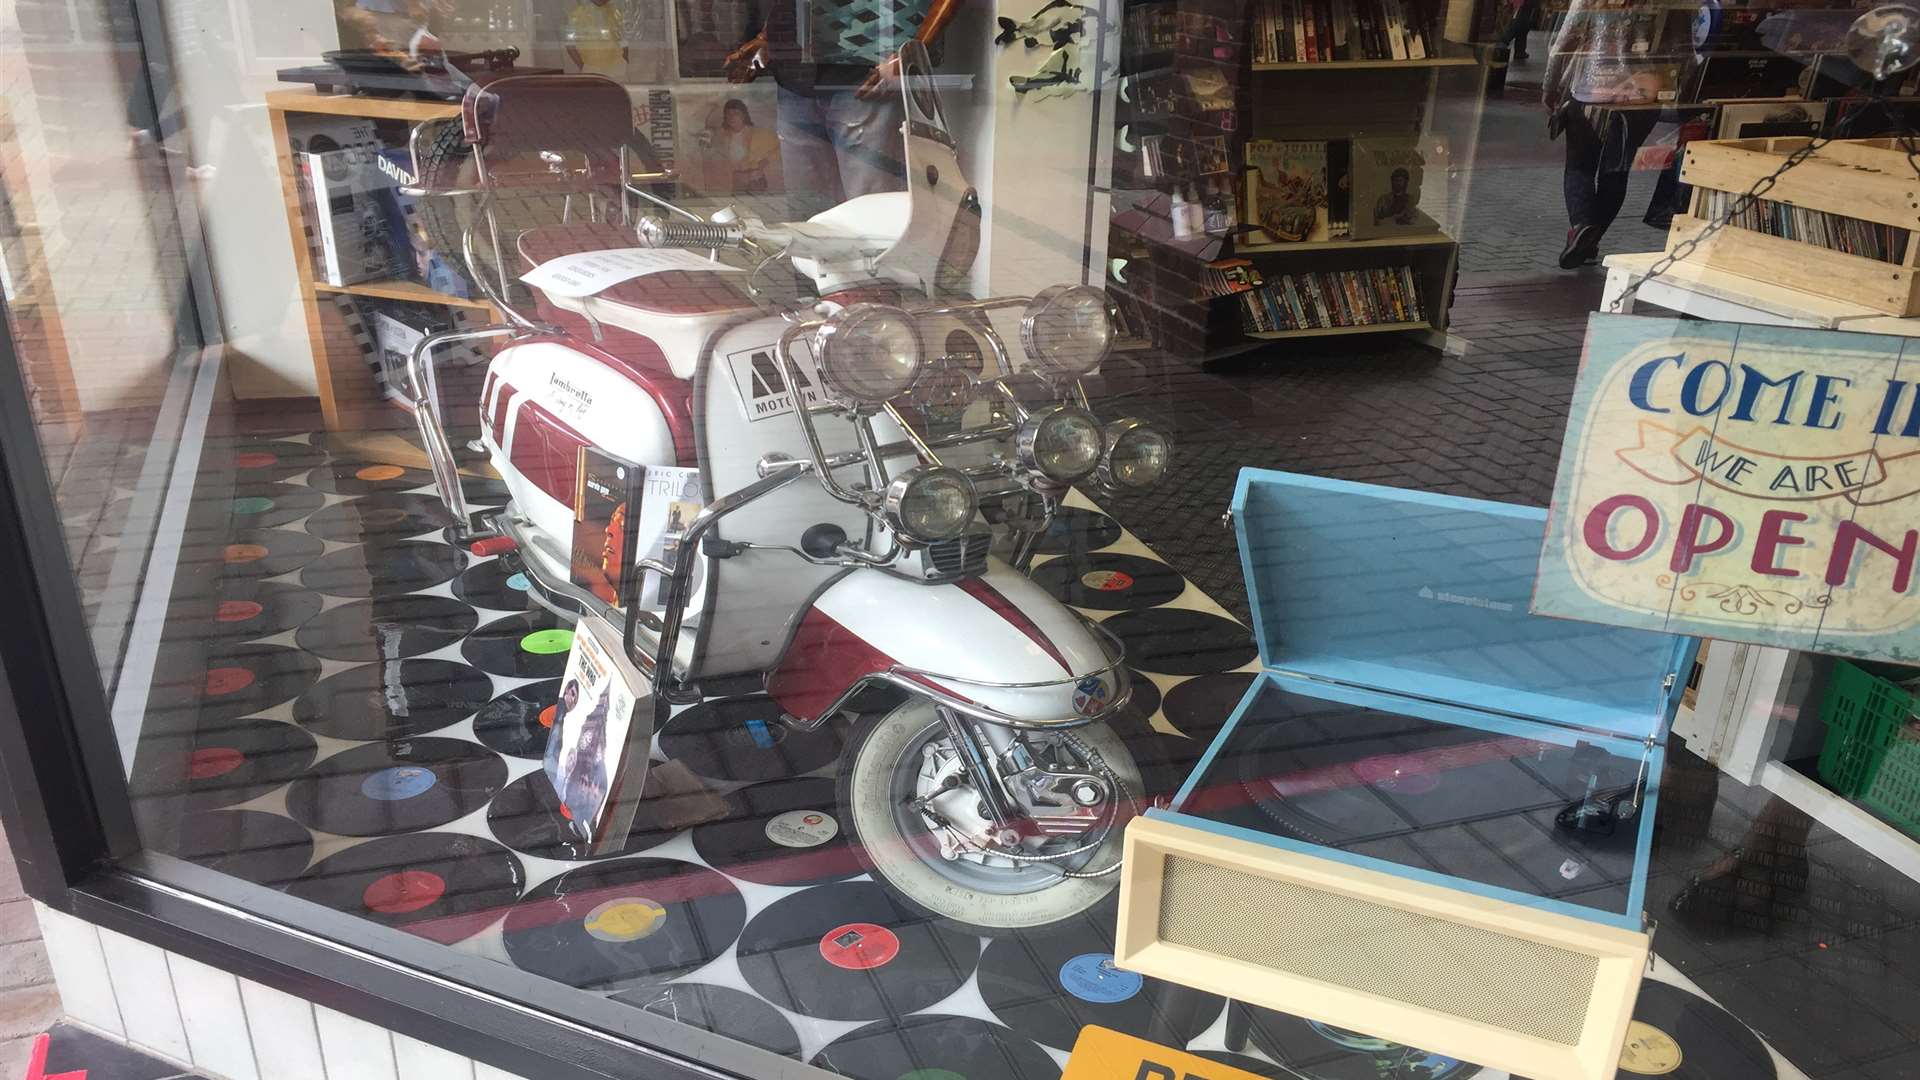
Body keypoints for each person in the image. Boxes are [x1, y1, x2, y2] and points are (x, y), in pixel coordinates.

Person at [721, 0, 963, 217]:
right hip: (796, 76)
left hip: (867, 75)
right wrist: (768, 36)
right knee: (807, 215)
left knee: (873, 212)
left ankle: (876, 266)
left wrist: (912, 53)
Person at [1543, 21, 1667, 269]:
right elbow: (1679, 43)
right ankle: (1590, 239)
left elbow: (1565, 39)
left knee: (1580, 167)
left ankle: (1582, 227)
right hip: (1643, 94)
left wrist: (1551, 84)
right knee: (1615, 172)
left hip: (1590, 90)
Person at [703, 99, 783, 194]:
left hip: (755, 181)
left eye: (736, 113)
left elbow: (777, 147)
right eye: (729, 114)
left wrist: (763, 164)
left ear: (743, 115)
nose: (732, 117)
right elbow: (711, 154)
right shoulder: (721, 136)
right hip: (735, 183)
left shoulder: (758, 133)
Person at [565, 0, 628, 80]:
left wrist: (625, 61)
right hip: (591, 69)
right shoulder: (576, 15)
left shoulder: (615, 12)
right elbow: (569, 45)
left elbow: (623, 40)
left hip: (617, 67)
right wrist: (583, 66)